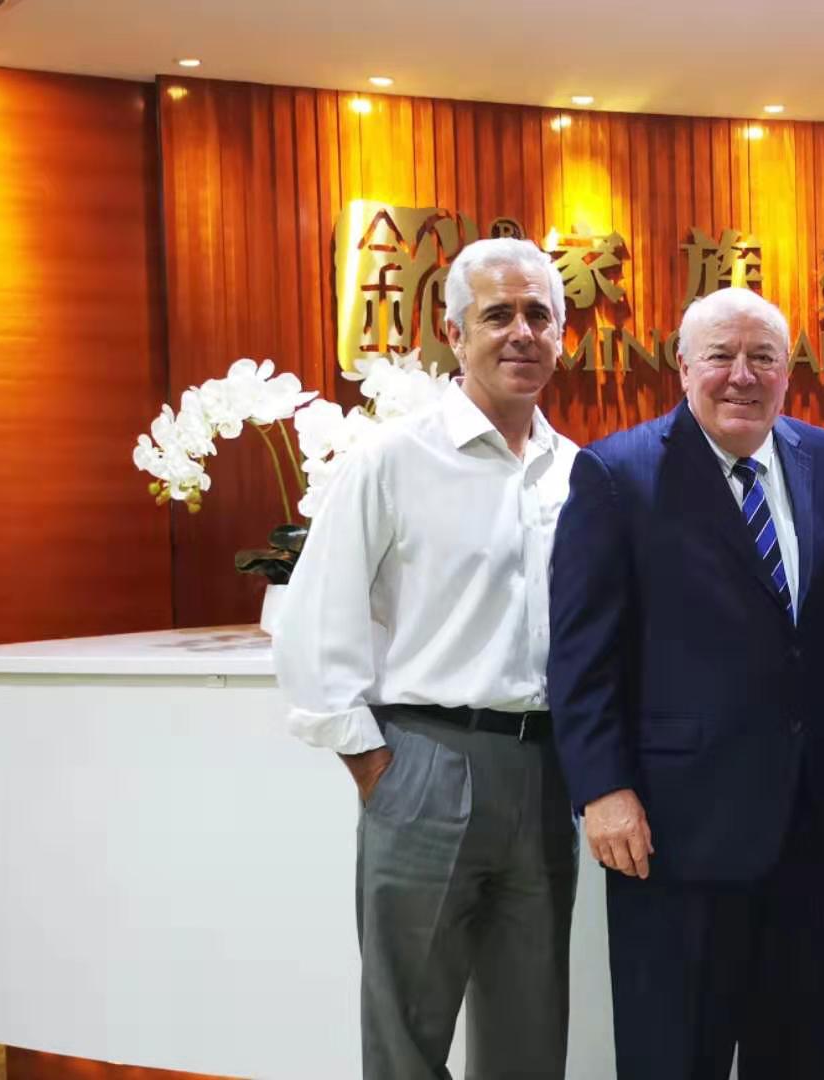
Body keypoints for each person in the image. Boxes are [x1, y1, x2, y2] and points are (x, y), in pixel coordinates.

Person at [547, 286, 824, 1079]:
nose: (741, 375)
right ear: (683, 365)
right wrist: (602, 791)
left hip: (808, 821)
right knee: (673, 1055)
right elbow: (581, 655)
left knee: (793, 1054)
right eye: (720, 356)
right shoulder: (617, 473)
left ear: (787, 370)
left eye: (762, 357)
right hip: (674, 829)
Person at [273, 237, 580, 1079]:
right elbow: (315, 619)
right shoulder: (393, 459)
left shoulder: (574, 473)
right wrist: (376, 766)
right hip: (426, 762)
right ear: (453, 333)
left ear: (561, 335)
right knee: (407, 1034)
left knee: (530, 1032)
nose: (520, 333)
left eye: (538, 315)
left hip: (546, 772)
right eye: (497, 315)